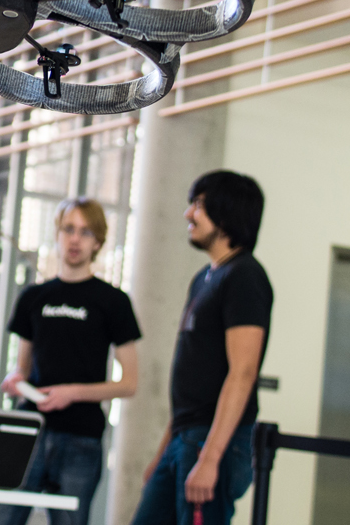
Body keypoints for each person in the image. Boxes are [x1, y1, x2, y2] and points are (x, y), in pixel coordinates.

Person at [0, 197, 141, 525]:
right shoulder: (33, 297)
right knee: (0, 518)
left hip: (80, 438)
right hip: (27, 431)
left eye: (85, 232)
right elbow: (22, 369)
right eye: (69, 229)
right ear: (57, 234)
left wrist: (72, 392)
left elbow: (129, 383)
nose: (75, 239)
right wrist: (17, 383)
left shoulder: (113, 302)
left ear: (97, 241)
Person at [131, 171, 273, 525]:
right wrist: (165, 451)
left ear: (225, 216)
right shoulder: (204, 278)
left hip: (211, 441)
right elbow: (193, 379)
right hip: (184, 437)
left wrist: (210, 458)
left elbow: (242, 373)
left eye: (198, 205)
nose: (188, 214)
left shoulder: (245, 277)